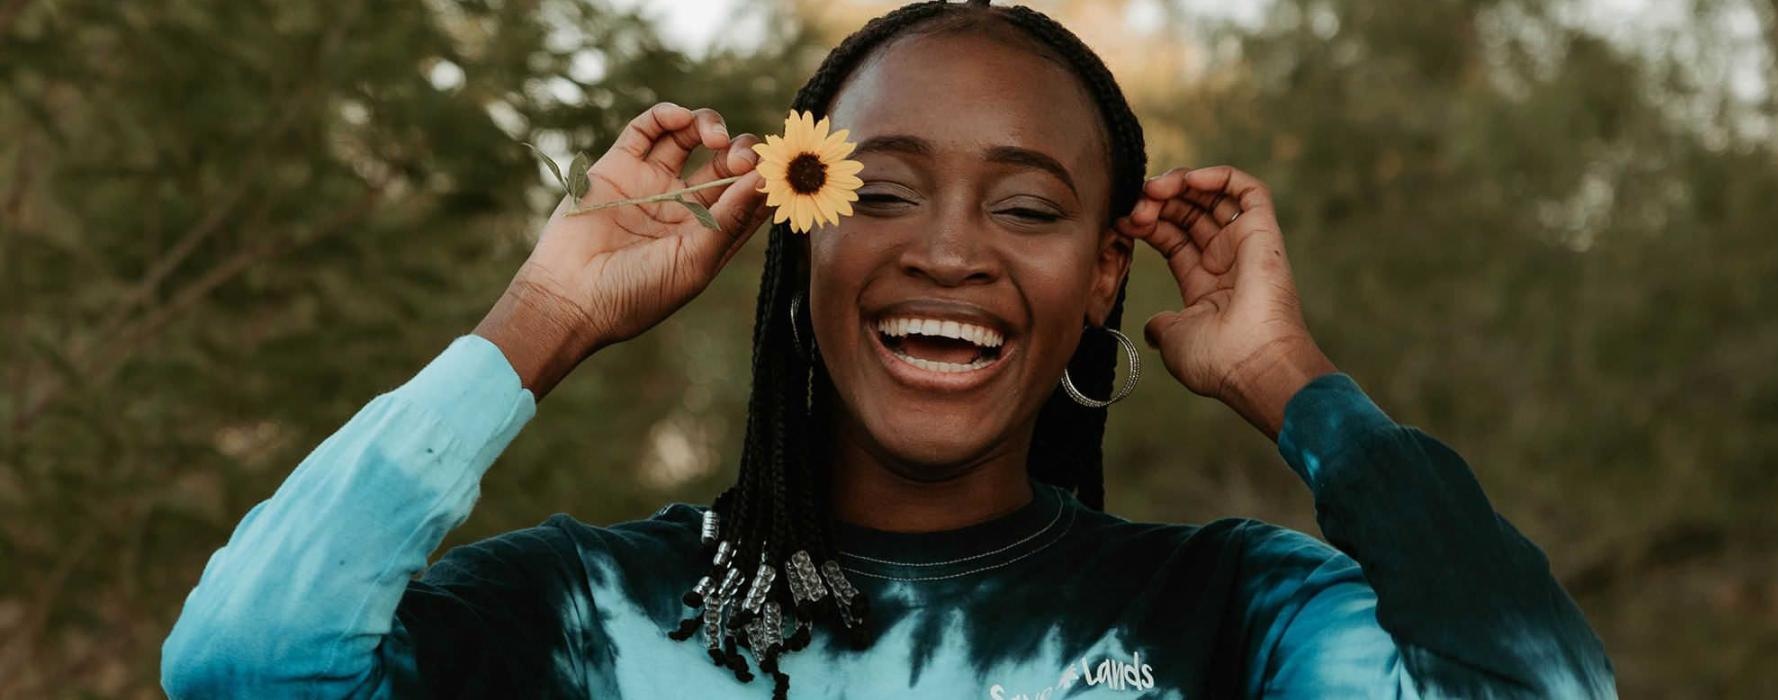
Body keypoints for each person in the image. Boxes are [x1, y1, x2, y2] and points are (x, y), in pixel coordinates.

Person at [160, 1, 1617, 698]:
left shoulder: (1232, 616)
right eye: (886, 188)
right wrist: (540, 323)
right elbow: (245, 667)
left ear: (1108, 270)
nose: (950, 250)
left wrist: (1298, 386)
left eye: (1032, 207)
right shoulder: (590, 612)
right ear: (797, 238)